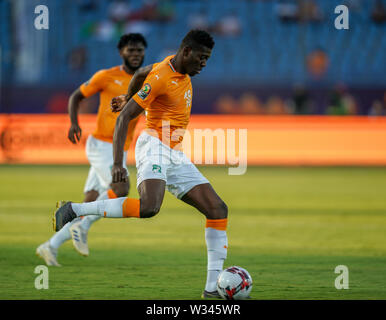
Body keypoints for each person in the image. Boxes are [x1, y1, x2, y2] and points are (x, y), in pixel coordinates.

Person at [53, 30, 230, 299]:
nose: (204, 64)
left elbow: (139, 74)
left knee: (217, 209)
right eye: (202, 58)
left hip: (174, 152)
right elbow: (124, 119)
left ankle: (211, 291)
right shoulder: (161, 77)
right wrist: (117, 164)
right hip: (154, 147)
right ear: (186, 53)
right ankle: (74, 210)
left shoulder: (171, 69)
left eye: (207, 59)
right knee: (149, 208)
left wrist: (127, 95)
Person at [37, 33, 155, 266]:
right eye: (130, 50)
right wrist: (73, 123)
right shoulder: (106, 76)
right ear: (121, 52)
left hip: (120, 147)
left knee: (91, 200)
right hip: (101, 143)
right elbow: (76, 96)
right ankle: (84, 226)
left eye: (139, 50)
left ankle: (49, 246)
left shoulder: (149, 80)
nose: (135, 54)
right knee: (120, 188)